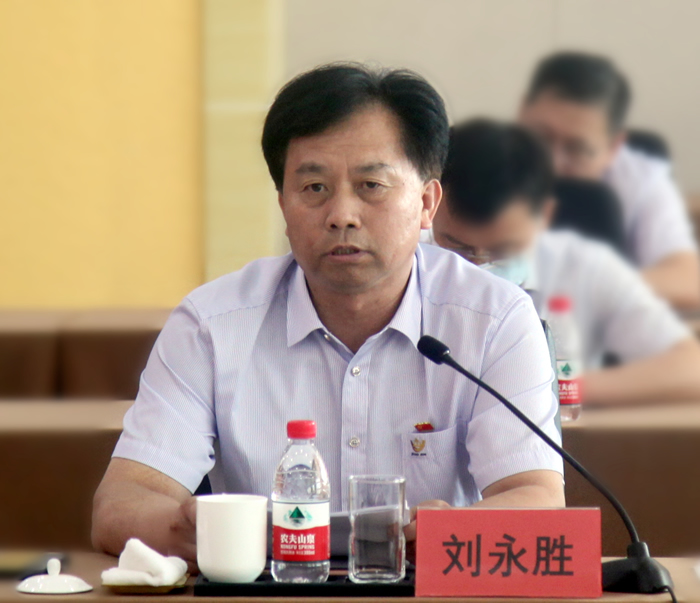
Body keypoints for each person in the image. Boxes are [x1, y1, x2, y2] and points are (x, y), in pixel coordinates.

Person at [91, 64, 564, 568]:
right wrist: (197, 529)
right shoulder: (211, 325)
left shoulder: (493, 319)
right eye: (314, 188)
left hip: (425, 591)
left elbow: (537, 496)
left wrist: (448, 530)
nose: (341, 215)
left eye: (371, 185)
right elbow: (121, 505)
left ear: (427, 203)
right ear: (283, 204)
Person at [429, 118, 700, 407]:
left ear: (544, 215)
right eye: (458, 247)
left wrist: (549, 387)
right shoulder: (405, 261)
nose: (478, 265)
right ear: (428, 205)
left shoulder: (581, 266)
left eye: (502, 249)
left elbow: (690, 369)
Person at [519, 51, 700, 309]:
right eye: (541, 136)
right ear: (522, 111)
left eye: (576, 148)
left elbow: (687, 281)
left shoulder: (637, 178)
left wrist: (590, 283)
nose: (553, 161)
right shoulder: (482, 154)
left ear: (613, 147)